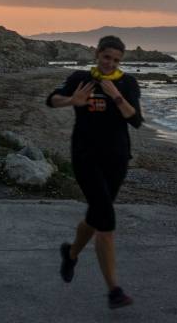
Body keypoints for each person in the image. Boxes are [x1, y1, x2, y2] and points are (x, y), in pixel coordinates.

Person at [46, 35, 143, 309]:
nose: (110, 63)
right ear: (97, 54)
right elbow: (51, 100)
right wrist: (72, 101)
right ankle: (114, 291)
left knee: (96, 214)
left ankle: (71, 253)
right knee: (106, 220)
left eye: (116, 60)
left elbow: (135, 120)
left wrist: (116, 95)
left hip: (117, 159)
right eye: (106, 57)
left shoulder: (127, 82)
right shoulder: (80, 77)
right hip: (85, 157)